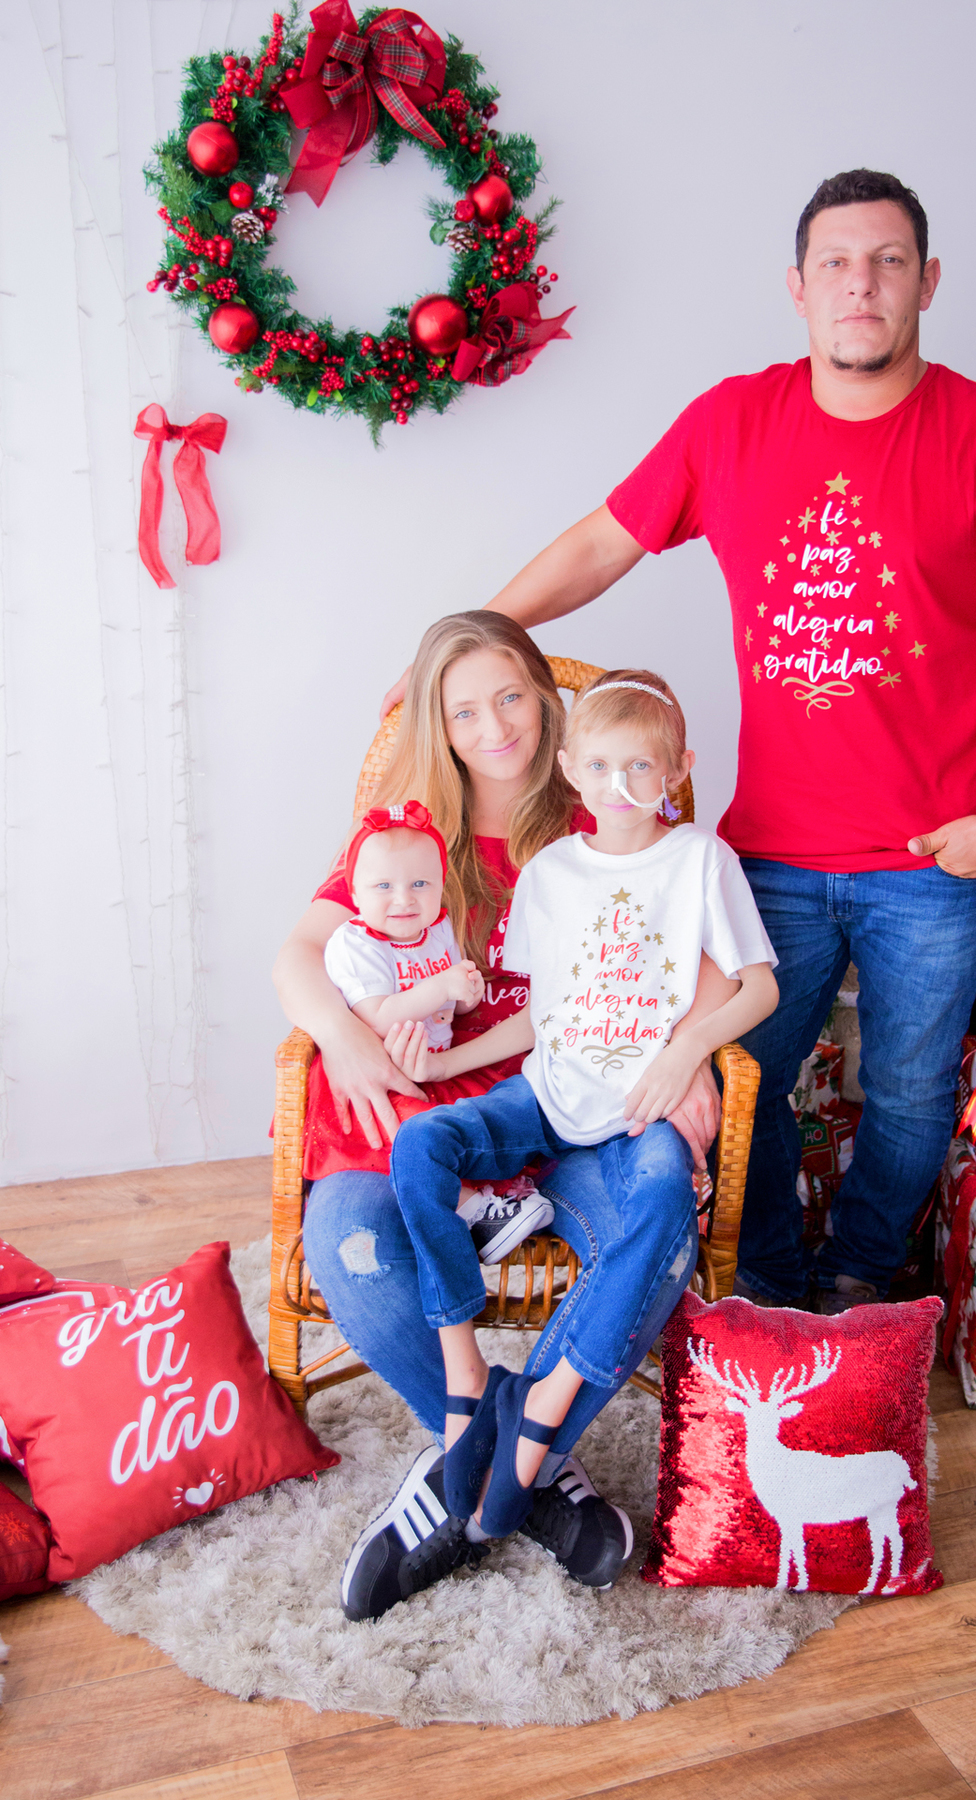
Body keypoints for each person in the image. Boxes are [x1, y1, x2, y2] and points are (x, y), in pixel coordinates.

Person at [380, 168, 976, 1315]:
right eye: (836, 264)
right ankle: (768, 1281)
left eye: (888, 261)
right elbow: (601, 544)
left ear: (927, 282)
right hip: (771, 855)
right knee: (742, 1077)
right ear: (798, 287)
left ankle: (862, 1274)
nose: (861, 284)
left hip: (941, 851)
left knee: (909, 1091)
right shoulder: (734, 423)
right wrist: (466, 647)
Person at [274, 612, 734, 1616]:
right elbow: (297, 955)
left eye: (514, 696)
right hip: (412, 1101)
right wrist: (346, 1037)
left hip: (561, 1096)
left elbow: (696, 937)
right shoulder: (403, 828)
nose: (495, 726)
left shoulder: (603, 810)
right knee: (350, 1242)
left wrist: (692, 1042)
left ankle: (470, 1474)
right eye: (465, 708)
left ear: (548, 698)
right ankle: (522, 1475)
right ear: (436, 722)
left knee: (660, 1209)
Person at [382, 668, 777, 1542]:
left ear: (678, 769)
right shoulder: (552, 872)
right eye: (599, 767)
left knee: (667, 1198)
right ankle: (464, 1377)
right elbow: (540, 1012)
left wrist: (687, 1051)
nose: (620, 789)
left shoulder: (700, 861)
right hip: (548, 1098)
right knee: (421, 1147)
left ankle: (542, 1405)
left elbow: (758, 989)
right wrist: (446, 1060)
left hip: (637, 1117)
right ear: (569, 768)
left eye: (643, 769)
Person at [322, 799, 553, 1262]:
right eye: (383, 886)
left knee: (460, 1123)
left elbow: (453, 1002)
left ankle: (496, 1190)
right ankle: (477, 1211)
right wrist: (439, 987)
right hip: (385, 1070)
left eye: (420, 884)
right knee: (410, 1127)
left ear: (440, 887)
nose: (404, 898)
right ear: (355, 891)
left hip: (434, 1065)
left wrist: (463, 994)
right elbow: (379, 1016)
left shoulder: (437, 928)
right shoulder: (355, 944)